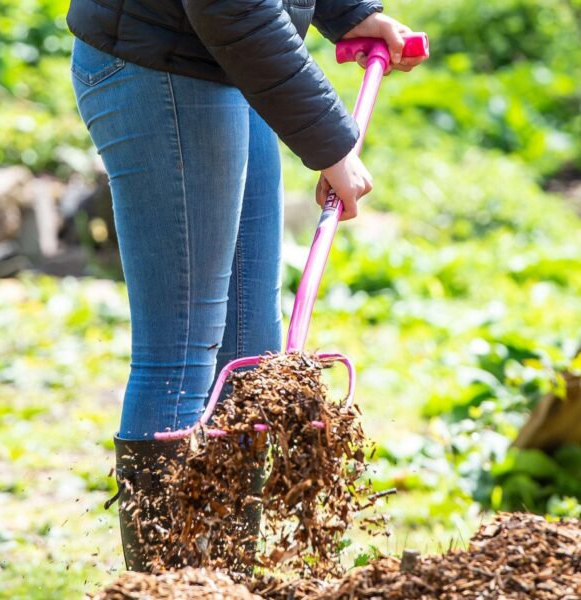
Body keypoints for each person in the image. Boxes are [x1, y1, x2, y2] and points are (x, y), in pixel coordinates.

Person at [67, 0, 425, 573]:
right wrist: (332, 143)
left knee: (251, 359)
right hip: (165, 64)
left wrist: (346, 11)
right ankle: (169, 586)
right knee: (183, 355)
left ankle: (227, 578)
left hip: (228, 60)